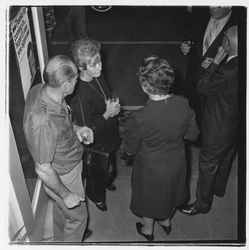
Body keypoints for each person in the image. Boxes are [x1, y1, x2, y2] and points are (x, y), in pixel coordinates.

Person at [123, 56, 199, 241]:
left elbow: (130, 148)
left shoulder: (140, 116)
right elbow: (193, 135)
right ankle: (166, 221)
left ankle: (148, 231)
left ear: (144, 85)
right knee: (171, 193)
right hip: (177, 161)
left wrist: (127, 153)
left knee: (149, 198)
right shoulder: (184, 103)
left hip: (150, 167)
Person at [23, 55, 94, 242]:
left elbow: (59, 125)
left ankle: (59, 239)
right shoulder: (43, 122)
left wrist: (77, 129)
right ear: (66, 85)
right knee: (79, 218)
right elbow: (43, 168)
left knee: (63, 211)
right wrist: (66, 194)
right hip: (64, 174)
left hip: (66, 165)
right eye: (76, 80)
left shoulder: (42, 89)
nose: (77, 83)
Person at [178, 26, 238, 216]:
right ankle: (218, 189)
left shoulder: (228, 70)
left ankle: (202, 205)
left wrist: (215, 64)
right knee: (226, 158)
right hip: (236, 123)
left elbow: (203, 86)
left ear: (227, 44)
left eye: (224, 39)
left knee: (207, 165)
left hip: (219, 127)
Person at [67, 38, 121, 211]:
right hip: (98, 143)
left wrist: (113, 106)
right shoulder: (80, 95)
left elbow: (106, 93)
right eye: (95, 64)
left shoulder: (97, 74)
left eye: (100, 61)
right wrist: (107, 113)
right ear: (82, 67)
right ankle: (97, 196)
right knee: (97, 172)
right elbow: (87, 131)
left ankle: (106, 179)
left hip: (110, 133)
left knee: (109, 167)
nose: (100, 67)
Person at [180, 6, 237, 126]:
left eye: (218, 5)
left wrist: (217, 63)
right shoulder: (200, 12)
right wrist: (185, 45)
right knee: (193, 110)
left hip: (214, 84)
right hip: (193, 76)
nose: (213, 8)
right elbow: (189, 33)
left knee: (209, 120)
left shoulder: (240, 22)